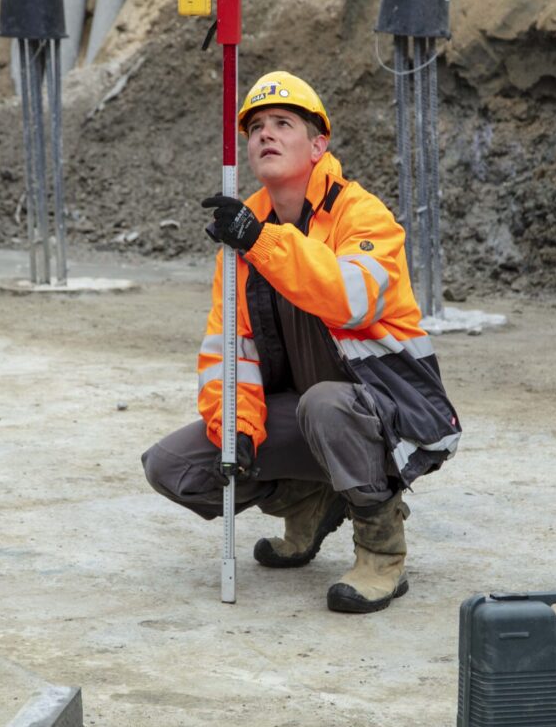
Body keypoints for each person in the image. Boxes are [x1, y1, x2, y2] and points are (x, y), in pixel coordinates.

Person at [142, 71, 460, 613]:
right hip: (308, 416)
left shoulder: (361, 214)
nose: (266, 134)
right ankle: (310, 499)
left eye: (283, 123)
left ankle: (381, 552)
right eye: (257, 126)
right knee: (174, 467)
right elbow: (229, 349)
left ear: (318, 145)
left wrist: (261, 242)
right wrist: (237, 432)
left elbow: (348, 297)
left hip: (390, 412)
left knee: (325, 402)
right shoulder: (242, 232)